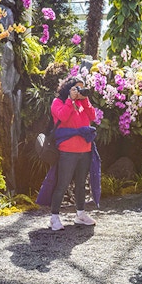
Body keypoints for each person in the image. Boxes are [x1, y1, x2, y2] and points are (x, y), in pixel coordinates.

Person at [48, 77, 98, 231]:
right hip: (67, 150)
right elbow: (62, 117)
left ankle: (80, 214)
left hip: (85, 149)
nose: (80, 91)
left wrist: (85, 100)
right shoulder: (58, 102)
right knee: (62, 183)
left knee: (81, 184)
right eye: (77, 88)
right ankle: (54, 217)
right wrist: (70, 100)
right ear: (68, 88)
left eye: (82, 88)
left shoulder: (82, 103)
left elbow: (93, 117)